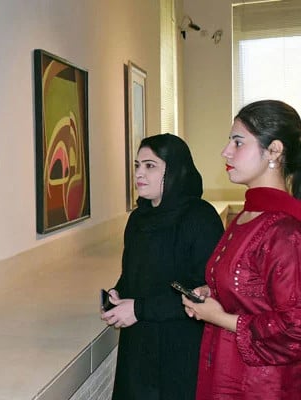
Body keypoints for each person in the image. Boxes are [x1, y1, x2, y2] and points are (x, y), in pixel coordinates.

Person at [182, 100, 301, 399]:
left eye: (238, 142)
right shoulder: (249, 215)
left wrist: (220, 317)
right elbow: (253, 290)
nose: (225, 151)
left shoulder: (285, 230)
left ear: (274, 150)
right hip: (225, 370)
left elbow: (296, 327)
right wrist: (214, 292)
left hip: (260, 386)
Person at [102, 133, 225, 400]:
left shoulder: (200, 217)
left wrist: (138, 308)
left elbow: (204, 291)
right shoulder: (138, 218)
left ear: (175, 170)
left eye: (150, 165)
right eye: (137, 165)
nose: (139, 173)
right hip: (139, 343)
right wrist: (118, 293)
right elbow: (133, 272)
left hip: (180, 346)